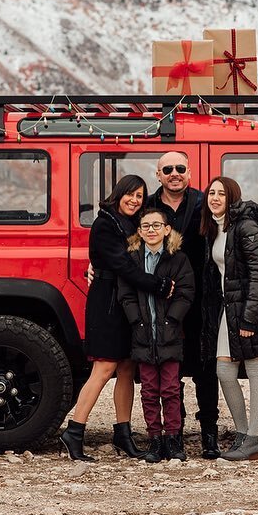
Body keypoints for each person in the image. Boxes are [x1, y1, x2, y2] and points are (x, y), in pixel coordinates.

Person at [59, 175, 175, 462]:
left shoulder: (133, 222)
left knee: (126, 367)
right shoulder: (104, 224)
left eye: (140, 196)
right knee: (103, 367)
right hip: (108, 303)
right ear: (118, 194)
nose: (134, 200)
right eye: (130, 194)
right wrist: (157, 284)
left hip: (126, 302)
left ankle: (123, 434)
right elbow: (124, 265)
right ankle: (74, 431)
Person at [200, 176, 258, 461]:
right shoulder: (215, 227)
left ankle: (253, 438)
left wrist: (249, 320)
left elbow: (257, 275)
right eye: (211, 193)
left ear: (232, 197)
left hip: (254, 308)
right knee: (224, 372)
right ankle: (243, 434)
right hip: (231, 308)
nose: (214, 198)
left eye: (220, 194)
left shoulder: (245, 225)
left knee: (255, 370)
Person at [144, 151, 222, 459]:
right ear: (158, 174)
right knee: (168, 367)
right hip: (160, 299)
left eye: (179, 168)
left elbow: (235, 225)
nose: (174, 173)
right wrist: (97, 263)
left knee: (206, 368)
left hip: (203, 299)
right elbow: (129, 242)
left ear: (189, 172)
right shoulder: (148, 207)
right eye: (167, 169)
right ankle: (174, 435)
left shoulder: (205, 203)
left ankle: (209, 436)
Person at [119, 208, 195, 462]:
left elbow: (186, 292)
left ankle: (173, 438)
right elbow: (126, 294)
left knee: (171, 389)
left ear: (166, 230)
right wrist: (137, 321)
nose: (151, 230)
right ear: (139, 232)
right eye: (146, 226)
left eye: (156, 225)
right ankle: (154, 440)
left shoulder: (178, 259)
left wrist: (172, 319)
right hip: (142, 334)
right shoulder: (132, 260)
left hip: (170, 334)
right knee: (149, 390)